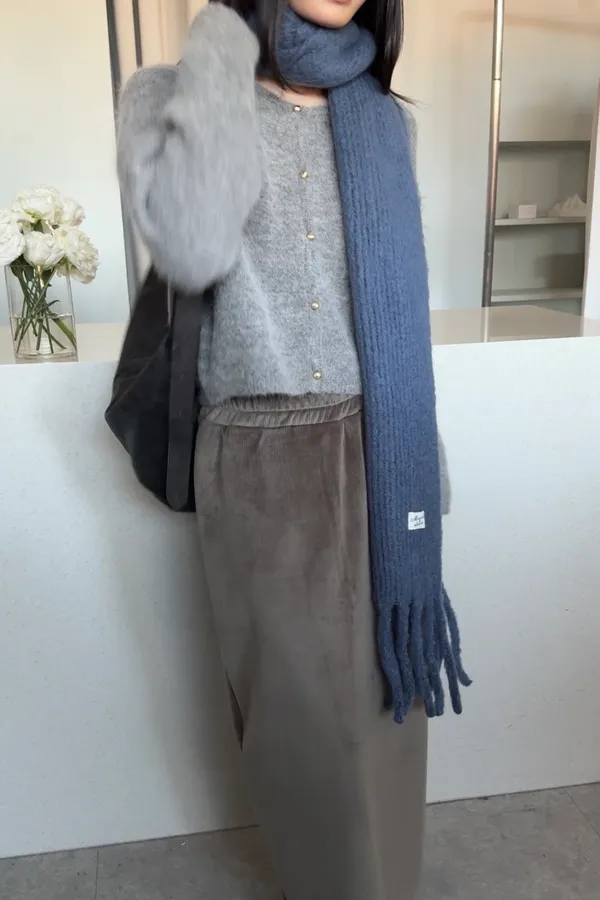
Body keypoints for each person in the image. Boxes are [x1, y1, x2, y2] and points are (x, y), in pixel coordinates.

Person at [116, 1, 470, 898]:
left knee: (391, 711)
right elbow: (194, 246)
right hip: (261, 456)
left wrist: (423, 459)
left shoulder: (386, 120)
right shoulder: (169, 94)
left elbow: (397, 317)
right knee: (301, 732)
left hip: (381, 449)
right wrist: (221, 45)